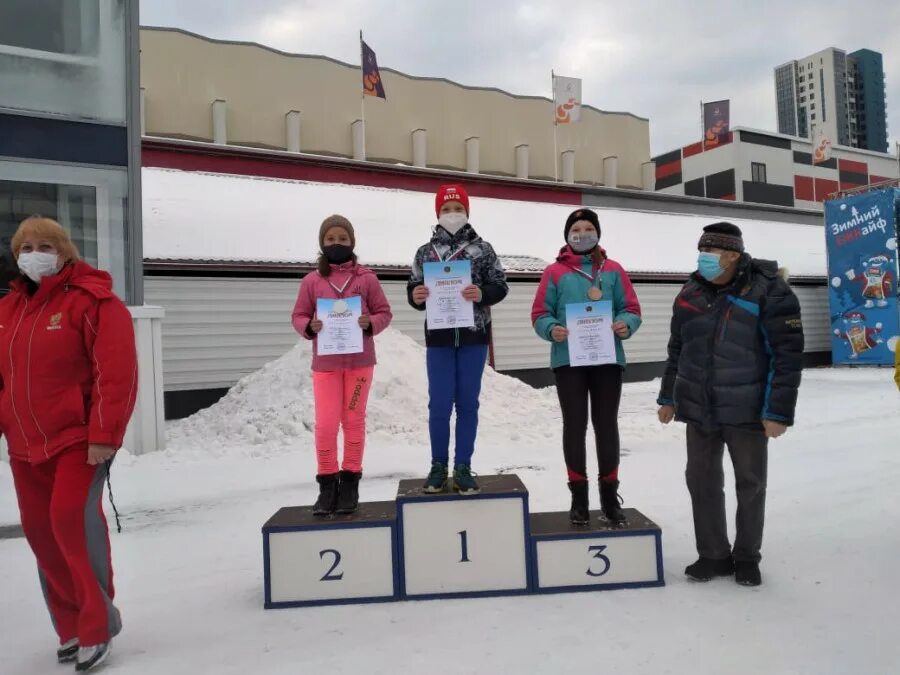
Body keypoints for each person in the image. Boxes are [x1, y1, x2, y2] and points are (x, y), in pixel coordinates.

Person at [0, 216, 137, 672]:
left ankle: (98, 625)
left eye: (44, 245)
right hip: (24, 444)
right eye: (25, 246)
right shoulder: (8, 311)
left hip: (77, 441)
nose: (32, 253)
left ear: (64, 253)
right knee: (41, 535)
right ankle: (71, 625)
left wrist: (104, 434)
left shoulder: (94, 302)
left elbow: (115, 373)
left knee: (70, 524)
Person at [657, 222, 804, 587]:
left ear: (733, 255)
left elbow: (787, 357)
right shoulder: (690, 292)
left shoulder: (770, 291)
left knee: (750, 485)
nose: (704, 258)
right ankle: (713, 554)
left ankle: (747, 557)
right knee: (701, 482)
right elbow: (678, 349)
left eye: (711, 252)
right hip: (700, 408)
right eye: (701, 251)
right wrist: (668, 396)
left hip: (748, 409)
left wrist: (777, 412)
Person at [531, 208, 642, 525]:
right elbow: (540, 313)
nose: (582, 233)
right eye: (575, 229)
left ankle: (610, 497)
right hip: (569, 361)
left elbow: (631, 308)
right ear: (567, 236)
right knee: (575, 426)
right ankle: (578, 498)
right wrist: (552, 329)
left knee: (606, 425)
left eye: (588, 228)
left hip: (607, 358)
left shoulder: (614, 270)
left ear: (598, 233)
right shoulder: (554, 273)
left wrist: (624, 324)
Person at [407, 184, 508, 495]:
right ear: (438, 213)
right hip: (438, 337)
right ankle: (439, 466)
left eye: (458, 208)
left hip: (473, 336)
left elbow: (501, 285)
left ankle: (463, 467)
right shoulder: (426, 252)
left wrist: (482, 293)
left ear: (467, 212)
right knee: (438, 404)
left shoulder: (483, 249)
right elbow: (413, 287)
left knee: (467, 404)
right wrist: (417, 295)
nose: (453, 214)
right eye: (447, 209)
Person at [292, 215, 393, 515]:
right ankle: (327, 484)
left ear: (352, 242)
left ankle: (350, 483)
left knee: (353, 421)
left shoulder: (366, 279)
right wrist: (309, 326)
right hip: (326, 365)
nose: (337, 244)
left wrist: (370, 322)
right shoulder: (312, 281)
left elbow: (384, 312)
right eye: (331, 239)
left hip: (359, 364)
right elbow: (298, 316)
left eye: (343, 239)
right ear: (323, 243)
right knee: (325, 424)